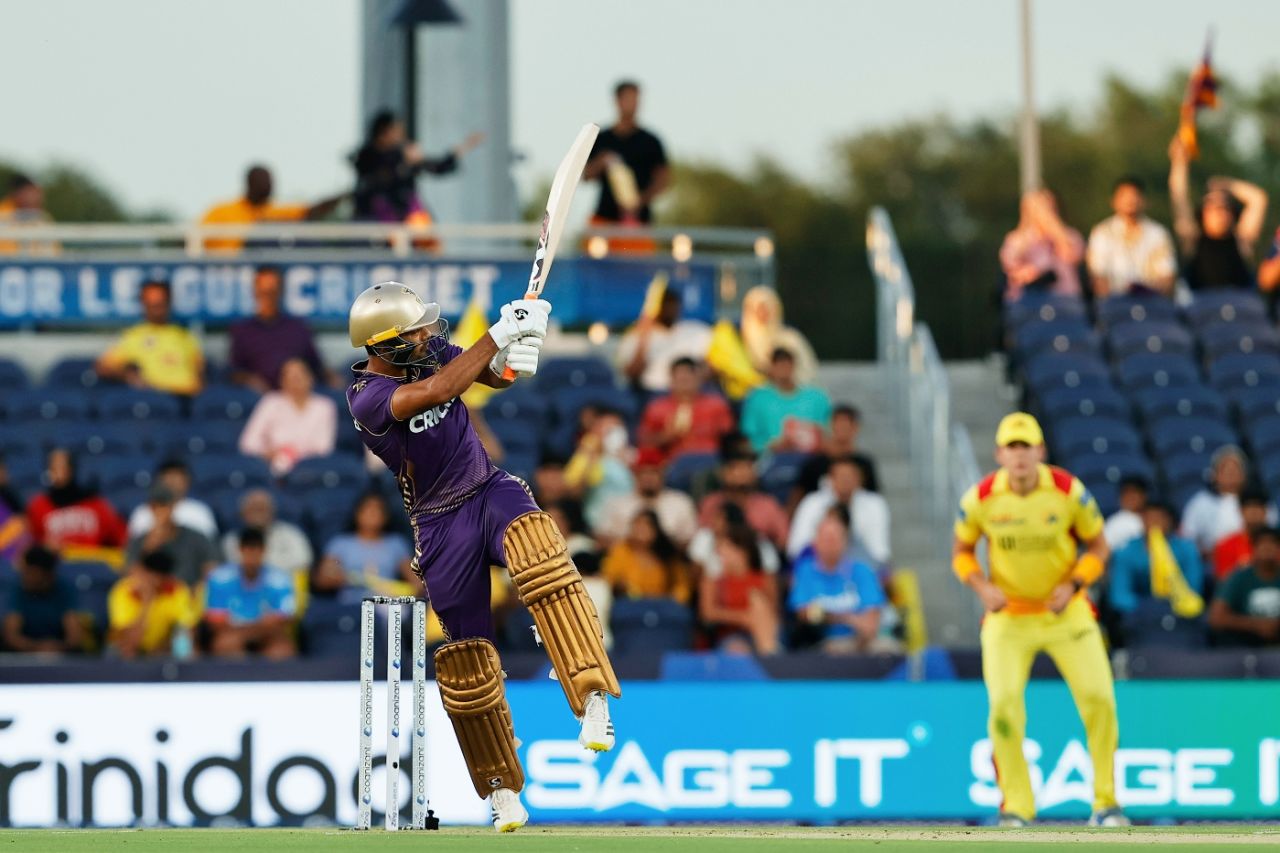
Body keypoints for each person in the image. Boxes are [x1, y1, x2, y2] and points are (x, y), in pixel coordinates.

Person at [345, 280, 619, 831]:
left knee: (540, 552)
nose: (428, 334)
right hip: (440, 523)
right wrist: (497, 333)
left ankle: (591, 696)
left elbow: (487, 376)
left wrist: (518, 353)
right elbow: (440, 389)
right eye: (416, 329)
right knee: (469, 661)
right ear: (384, 345)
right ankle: (499, 785)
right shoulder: (367, 398)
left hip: (487, 486)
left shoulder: (426, 352)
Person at [952, 412, 1124, 828]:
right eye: (1011, 447)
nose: (1020, 455)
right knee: (1004, 709)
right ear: (999, 454)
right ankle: (1017, 808)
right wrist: (980, 585)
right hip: (1008, 617)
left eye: (1026, 446)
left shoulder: (1067, 491)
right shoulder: (980, 498)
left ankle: (1106, 804)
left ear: (1040, 451)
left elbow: (1099, 548)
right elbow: (960, 552)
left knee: (1100, 699)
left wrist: (1076, 583)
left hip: (1065, 612)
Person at [1168, 136, 1268, 291]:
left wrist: (1227, 185)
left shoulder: (1242, 240)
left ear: (1232, 214)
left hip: (1238, 307)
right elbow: (1178, 194)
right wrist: (1179, 162)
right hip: (1202, 310)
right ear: (1203, 213)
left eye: (1224, 207)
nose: (1219, 212)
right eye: (1212, 206)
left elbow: (1258, 199)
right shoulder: (1192, 240)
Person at [351, 109, 484, 224]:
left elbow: (437, 166)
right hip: (378, 218)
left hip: (407, 216)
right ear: (383, 133)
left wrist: (465, 146)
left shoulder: (402, 153)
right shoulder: (367, 157)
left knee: (426, 237)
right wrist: (403, 165)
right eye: (395, 132)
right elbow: (376, 179)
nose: (400, 137)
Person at [788, 506, 886, 654]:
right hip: (822, 644)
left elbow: (871, 624)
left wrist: (827, 614)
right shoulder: (806, 571)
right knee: (833, 650)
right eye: (826, 538)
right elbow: (804, 613)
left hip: (862, 643)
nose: (830, 544)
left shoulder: (862, 571)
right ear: (816, 542)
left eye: (835, 538)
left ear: (845, 541)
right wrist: (849, 618)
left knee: (887, 650)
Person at [200, 165, 346, 252]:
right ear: (250, 182)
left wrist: (345, 194)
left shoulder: (273, 211)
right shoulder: (221, 211)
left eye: (270, 181)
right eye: (264, 181)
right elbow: (193, 239)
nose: (269, 185)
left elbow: (309, 211)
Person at [228, 266, 331, 391]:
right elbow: (233, 372)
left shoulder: (297, 327)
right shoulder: (243, 330)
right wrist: (250, 380)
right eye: (263, 291)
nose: (268, 296)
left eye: (272, 291)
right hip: (259, 399)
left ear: (280, 291)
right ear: (255, 292)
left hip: (297, 395)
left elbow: (316, 366)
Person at [95, 279, 204, 396]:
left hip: (188, 397)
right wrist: (129, 376)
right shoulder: (134, 336)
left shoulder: (183, 335)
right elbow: (103, 367)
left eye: (160, 303)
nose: (155, 308)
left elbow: (199, 370)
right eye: (150, 303)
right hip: (155, 399)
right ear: (143, 304)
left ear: (169, 302)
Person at [584, 80, 669, 227]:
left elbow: (664, 179)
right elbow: (586, 175)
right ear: (617, 101)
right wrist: (601, 161)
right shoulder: (602, 138)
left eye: (636, 99)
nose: (633, 104)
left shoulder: (650, 141)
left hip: (639, 222)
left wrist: (640, 201)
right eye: (629, 99)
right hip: (605, 218)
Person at [204, 528, 297, 659]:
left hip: (266, 636)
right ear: (240, 550)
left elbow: (283, 620)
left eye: (257, 550)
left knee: (282, 651)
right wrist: (256, 627)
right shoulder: (220, 578)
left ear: (264, 551)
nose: (252, 557)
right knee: (225, 644)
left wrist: (246, 631)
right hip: (234, 634)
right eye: (248, 550)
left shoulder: (279, 580)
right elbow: (215, 621)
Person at [787, 454, 891, 566]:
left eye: (850, 476)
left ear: (860, 479)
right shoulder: (812, 503)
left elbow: (880, 552)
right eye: (841, 476)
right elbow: (796, 548)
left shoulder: (875, 504)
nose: (846, 481)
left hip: (862, 567)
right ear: (829, 479)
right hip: (818, 567)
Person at [238, 358, 337, 475]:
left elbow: (324, 449)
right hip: (271, 468)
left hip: (310, 470)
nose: (295, 380)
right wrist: (270, 453)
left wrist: (293, 455)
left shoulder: (324, 406)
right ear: (282, 381)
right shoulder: (271, 402)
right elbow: (248, 443)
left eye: (299, 375)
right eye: (289, 376)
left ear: (310, 378)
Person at [1107, 501, 1205, 617]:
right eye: (1149, 517)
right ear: (1142, 520)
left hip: (1180, 614)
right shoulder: (1126, 552)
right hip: (1139, 617)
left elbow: (1193, 588)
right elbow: (1119, 595)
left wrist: (1172, 607)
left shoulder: (1187, 549)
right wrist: (1149, 608)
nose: (1154, 522)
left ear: (1170, 521)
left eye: (1160, 518)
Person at [1086, 176, 1177, 298]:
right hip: (1115, 305)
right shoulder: (1102, 232)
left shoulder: (1158, 233)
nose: (1130, 200)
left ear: (1144, 201)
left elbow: (1167, 277)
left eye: (1135, 195)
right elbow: (1098, 277)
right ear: (1113, 201)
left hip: (1151, 303)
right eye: (1124, 196)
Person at [698, 524, 779, 655]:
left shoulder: (764, 578)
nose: (719, 552)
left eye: (724, 547)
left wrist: (755, 618)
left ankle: (769, 652)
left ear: (741, 550)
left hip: (765, 631)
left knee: (757, 600)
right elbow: (708, 613)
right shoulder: (713, 581)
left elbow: (773, 612)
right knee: (737, 649)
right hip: (731, 635)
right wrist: (743, 618)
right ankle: (769, 654)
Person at [26, 448, 127, 551]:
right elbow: (28, 547)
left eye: (63, 468)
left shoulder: (96, 505)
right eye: (53, 468)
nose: (59, 474)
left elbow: (121, 540)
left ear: (72, 470)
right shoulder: (39, 506)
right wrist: (43, 547)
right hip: (55, 564)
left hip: (91, 563)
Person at [594, 447, 697, 548]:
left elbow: (688, 540)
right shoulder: (617, 504)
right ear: (635, 475)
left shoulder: (680, 502)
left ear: (662, 474)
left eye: (653, 472)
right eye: (643, 472)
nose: (648, 478)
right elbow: (601, 537)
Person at [636, 358, 735, 462]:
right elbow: (643, 443)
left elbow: (729, 438)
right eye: (681, 379)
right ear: (671, 380)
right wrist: (666, 436)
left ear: (698, 379)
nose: (684, 384)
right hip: (673, 461)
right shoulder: (657, 408)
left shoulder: (716, 405)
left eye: (688, 379)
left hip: (710, 459)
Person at [616, 288, 713, 393]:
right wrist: (643, 340)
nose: (670, 308)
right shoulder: (635, 336)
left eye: (673, 303)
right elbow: (632, 373)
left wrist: (691, 382)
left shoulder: (695, 331)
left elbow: (711, 367)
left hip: (692, 393)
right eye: (665, 304)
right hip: (653, 393)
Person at [107, 550, 197, 659]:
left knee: (184, 640)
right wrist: (147, 602)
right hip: (129, 647)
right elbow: (129, 639)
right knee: (124, 650)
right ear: (142, 572)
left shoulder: (177, 590)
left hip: (161, 648)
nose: (155, 582)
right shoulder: (123, 591)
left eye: (160, 578)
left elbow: (186, 627)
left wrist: (166, 646)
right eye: (151, 576)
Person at [123, 485, 219, 587]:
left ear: (173, 506)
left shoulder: (195, 537)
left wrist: (200, 591)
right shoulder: (140, 541)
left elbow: (212, 568)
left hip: (189, 597)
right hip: (156, 598)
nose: (160, 511)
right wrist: (148, 549)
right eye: (155, 506)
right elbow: (130, 578)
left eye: (163, 505)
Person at [740, 348, 832, 453]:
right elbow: (748, 438)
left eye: (786, 363)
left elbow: (830, 432)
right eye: (779, 364)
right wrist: (771, 446)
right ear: (771, 367)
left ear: (794, 365)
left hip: (812, 459)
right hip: (771, 460)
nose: (783, 368)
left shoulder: (817, 397)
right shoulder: (757, 398)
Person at [999, 189, 1085, 300]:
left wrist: (1054, 228)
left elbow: (1074, 256)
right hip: (1028, 302)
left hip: (1065, 301)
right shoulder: (1017, 239)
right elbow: (1010, 265)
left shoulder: (1069, 235)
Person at [316, 492, 415, 588]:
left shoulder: (396, 543)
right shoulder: (340, 543)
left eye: (378, 509)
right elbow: (322, 578)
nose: (372, 513)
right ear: (357, 513)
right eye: (368, 509)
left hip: (386, 601)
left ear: (386, 516)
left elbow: (415, 581)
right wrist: (341, 578)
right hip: (351, 603)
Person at [697, 451, 789, 552]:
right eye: (734, 467)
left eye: (746, 467)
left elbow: (784, 542)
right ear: (722, 472)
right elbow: (700, 540)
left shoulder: (768, 505)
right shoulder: (710, 504)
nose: (740, 473)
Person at [563, 407, 635, 533]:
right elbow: (573, 491)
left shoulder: (634, 456)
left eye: (617, 428)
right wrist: (591, 458)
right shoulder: (584, 457)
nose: (614, 434)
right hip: (597, 526)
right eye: (608, 430)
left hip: (628, 523)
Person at [2, 546, 84, 654]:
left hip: (60, 657)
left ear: (47, 575)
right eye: (25, 571)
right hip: (23, 657)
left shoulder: (65, 590)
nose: (25, 576)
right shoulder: (17, 590)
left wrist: (57, 648)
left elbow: (75, 636)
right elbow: (11, 636)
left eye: (30, 572)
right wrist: (37, 648)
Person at [1207, 527, 1280, 647]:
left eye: (1273, 543)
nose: (1267, 548)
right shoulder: (1239, 577)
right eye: (1262, 544)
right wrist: (1256, 625)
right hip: (1245, 644)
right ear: (1254, 548)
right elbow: (1215, 618)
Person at [792, 404, 880, 503]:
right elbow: (799, 497)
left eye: (846, 424)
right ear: (830, 425)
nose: (842, 428)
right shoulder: (814, 464)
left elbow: (874, 499)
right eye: (838, 423)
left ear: (856, 427)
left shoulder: (864, 464)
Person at [601, 508, 691, 604]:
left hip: (662, 606)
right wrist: (620, 586)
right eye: (637, 525)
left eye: (646, 525)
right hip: (629, 604)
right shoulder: (621, 550)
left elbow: (682, 586)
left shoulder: (666, 553)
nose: (640, 529)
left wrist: (672, 600)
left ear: (656, 530)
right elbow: (608, 577)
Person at [219, 489, 313, 578]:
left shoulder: (291, 534)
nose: (258, 514)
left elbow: (303, 561)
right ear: (242, 513)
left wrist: (259, 566)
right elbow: (233, 569)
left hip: (285, 589)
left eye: (262, 509)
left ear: (273, 512)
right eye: (253, 509)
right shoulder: (231, 540)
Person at [740, 285, 819, 385]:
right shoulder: (739, 341)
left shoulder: (791, 339)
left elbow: (807, 373)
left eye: (766, 308)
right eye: (758, 309)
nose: (762, 313)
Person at [1181, 446, 1250, 558]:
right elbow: (1188, 538)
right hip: (1211, 560)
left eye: (1236, 469)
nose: (1231, 474)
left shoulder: (1255, 502)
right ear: (1214, 475)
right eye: (1225, 469)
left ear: (1244, 475)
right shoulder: (1200, 503)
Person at [688, 501, 781, 582]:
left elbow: (769, 578)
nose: (713, 521)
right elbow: (695, 576)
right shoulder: (704, 537)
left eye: (718, 518)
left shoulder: (760, 544)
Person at [127, 459, 218, 541]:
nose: (173, 482)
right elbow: (136, 548)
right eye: (168, 476)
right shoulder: (143, 512)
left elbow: (209, 547)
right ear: (158, 480)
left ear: (187, 481)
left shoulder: (200, 511)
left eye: (177, 477)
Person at [1212, 487, 1271, 580]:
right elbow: (1222, 583)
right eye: (1249, 507)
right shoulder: (1225, 545)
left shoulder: (1276, 543)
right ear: (1240, 511)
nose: (1254, 512)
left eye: (1258, 506)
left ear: (1266, 511)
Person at [0, 173, 56, 256]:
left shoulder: (42, 217)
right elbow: (8, 255)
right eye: (33, 192)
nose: (39, 197)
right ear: (19, 193)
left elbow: (55, 252)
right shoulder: (4, 216)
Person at [1103, 476, 1149, 551]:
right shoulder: (1115, 522)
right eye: (1126, 493)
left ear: (1144, 496)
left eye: (1134, 493)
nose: (1130, 498)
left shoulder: (1152, 519)